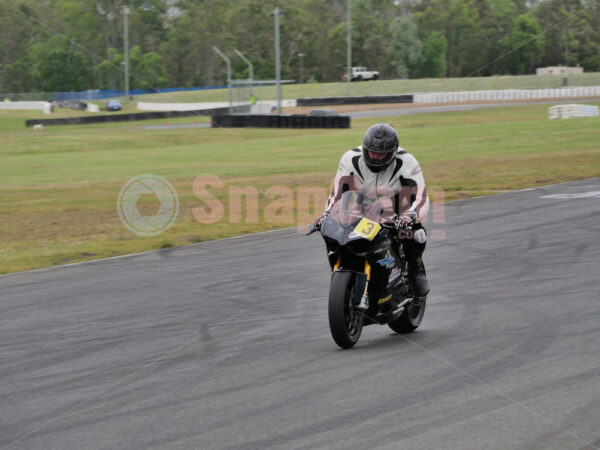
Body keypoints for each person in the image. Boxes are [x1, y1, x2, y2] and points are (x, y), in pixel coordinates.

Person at [314, 123, 430, 299]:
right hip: (363, 208)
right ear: (365, 148)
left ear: (393, 151)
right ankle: (342, 271)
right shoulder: (350, 158)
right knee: (334, 229)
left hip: (398, 209)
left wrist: (410, 215)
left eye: (381, 154)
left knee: (416, 233)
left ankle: (415, 271)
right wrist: (326, 213)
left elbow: (420, 197)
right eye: (372, 152)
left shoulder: (407, 162)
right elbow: (336, 193)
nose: (375, 157)